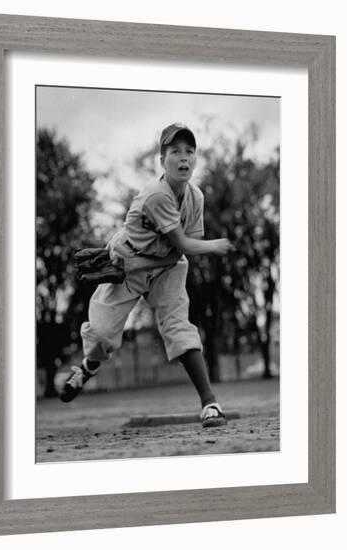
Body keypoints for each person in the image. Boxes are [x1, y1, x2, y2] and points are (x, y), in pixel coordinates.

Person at [60, 123, 234, 428]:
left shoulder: (195, 197)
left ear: (195, 158)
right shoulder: (156, 195)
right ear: (162, 160)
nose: (183, 158)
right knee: (101, 334)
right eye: (175, 151)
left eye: (189, 151)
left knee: (179, 327)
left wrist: (187, 251)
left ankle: (210, 403)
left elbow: (181, 251)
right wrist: (214, 246)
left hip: (166, 268)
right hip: (125, 265)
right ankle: (88, 366)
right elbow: (183, 244)